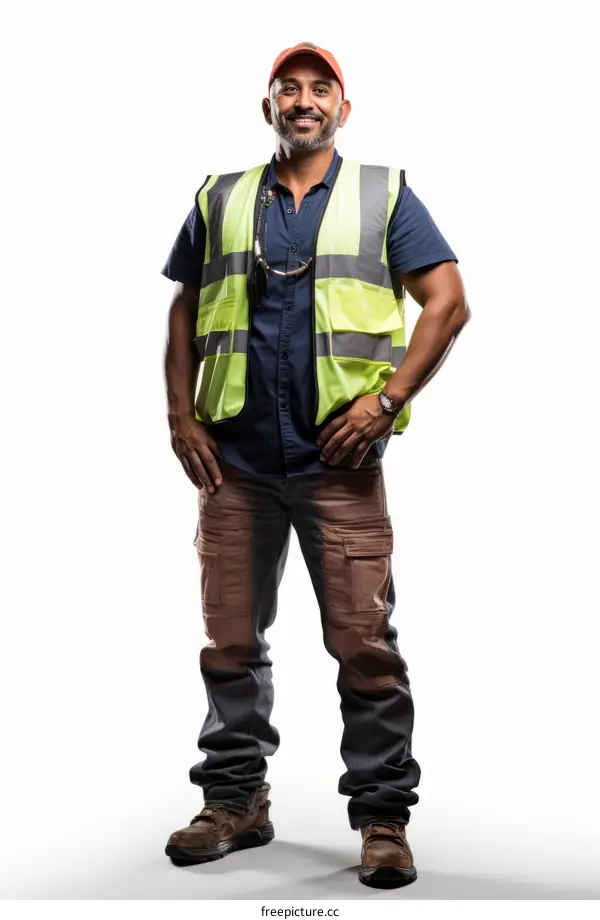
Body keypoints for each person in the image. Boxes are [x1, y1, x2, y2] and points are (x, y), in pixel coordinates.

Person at [160, 41, 470, 890]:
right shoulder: (221, 198)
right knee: (229, 642)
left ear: (342, 107)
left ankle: (381, 818)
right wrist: (179, 413)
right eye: (287, 88)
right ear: (268, 107)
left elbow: (448, 300)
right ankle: (235, 801)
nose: (303, 100)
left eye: (319, 88)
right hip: (236, 465)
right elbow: (185, 308)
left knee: (365, 646)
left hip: (342, 463)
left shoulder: (384, 195)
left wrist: (388, 401)